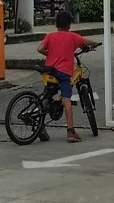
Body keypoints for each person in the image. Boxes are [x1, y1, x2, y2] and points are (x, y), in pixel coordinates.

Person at [35, 9, 96, 142]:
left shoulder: (50, 36)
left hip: (49, 70)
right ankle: (71, 131)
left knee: (47, 94)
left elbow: (39, 49)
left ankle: (39, 125)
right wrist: (95, 44)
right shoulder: (72, 37)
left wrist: (49, 55)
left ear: (56, 24)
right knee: (66, 98)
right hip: (63, 72)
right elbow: (85, 41)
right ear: (69, 25)